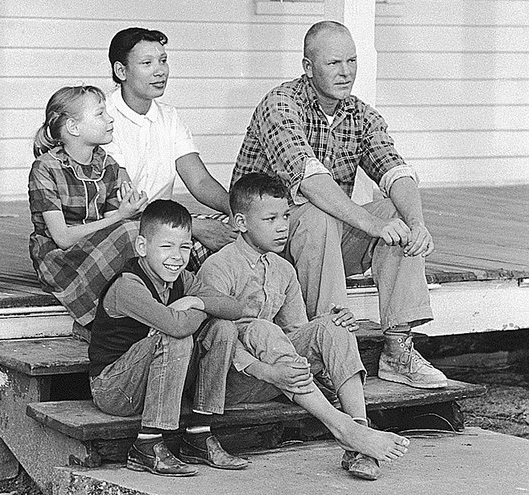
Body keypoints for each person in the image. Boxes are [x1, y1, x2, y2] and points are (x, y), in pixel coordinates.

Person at [232, 21, 448, 389]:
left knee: (398, 214)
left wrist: (416, 223)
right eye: (333, 63)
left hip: (321, 248)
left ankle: (398, 350)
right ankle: (329, 349)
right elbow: (310, 181)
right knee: (318, 214)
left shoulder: (361, 114)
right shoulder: (280, 104)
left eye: (352, 61)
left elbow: (395, 171)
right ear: (308, 66)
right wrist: (372, 224)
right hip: (263, 245)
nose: (345, 72)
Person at [198, 173, 410, 481]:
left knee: (334, 326)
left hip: (280, 376)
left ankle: (359, 437)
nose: (282, 226)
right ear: (241, 222)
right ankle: (343, 428)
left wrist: (329, 325)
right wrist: (266, 371)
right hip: (232, 380)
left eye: (286, 216)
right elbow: (212, 338)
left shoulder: (283, 269)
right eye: (270, 219)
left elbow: (295, 333)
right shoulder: (219, 267)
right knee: (261, 330)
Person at [88, 199, 249, 477]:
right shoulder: (128, 285)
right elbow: (176, 327)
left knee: (223, 328)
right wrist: (199, 309)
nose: (177, 256)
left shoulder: (182, 280)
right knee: (175, 338)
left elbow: (234, 308)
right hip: (114, 389)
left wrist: (194, 301)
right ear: (142, 247)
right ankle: (147, 444)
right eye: (166, 246)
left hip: (154, 384)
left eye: (184, 247)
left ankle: (199, 434)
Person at [104, 27, 237, 271]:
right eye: (147, 63)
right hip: (123, 226)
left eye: (163, 60)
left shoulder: (169, 116)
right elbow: (126, 202)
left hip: (166, 224)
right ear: (121, 71)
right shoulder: (103, 117)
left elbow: (200, 181)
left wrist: (234, 210)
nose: (160, 71)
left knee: (240, 235)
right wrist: (192, 226)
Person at [28, 85, 148, 327]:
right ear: (73, 127)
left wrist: (129, 211)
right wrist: (122, 217)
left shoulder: (108, 164)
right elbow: (62, 238)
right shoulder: (46, 168)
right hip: (60, 259)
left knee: (148, 234)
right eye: (100, 114)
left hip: (97, 250)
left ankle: (141, 311)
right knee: (132, 232)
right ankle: (109, 322)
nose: (110, 119)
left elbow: (114, 226)